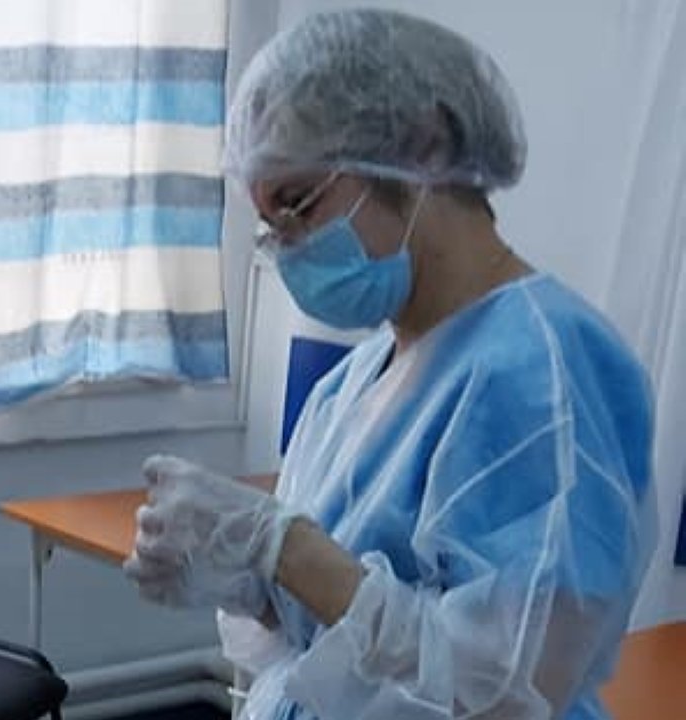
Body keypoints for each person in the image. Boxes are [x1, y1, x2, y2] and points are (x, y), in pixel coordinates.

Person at [123, 8, 656, 720]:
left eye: (298, 203)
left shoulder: (547, 373)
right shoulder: (352, 384)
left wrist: (284, 547)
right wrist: (249, 578)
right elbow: (338, 635)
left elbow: (504, 688)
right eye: (270, 226)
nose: (288, 247)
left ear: (424, 145)